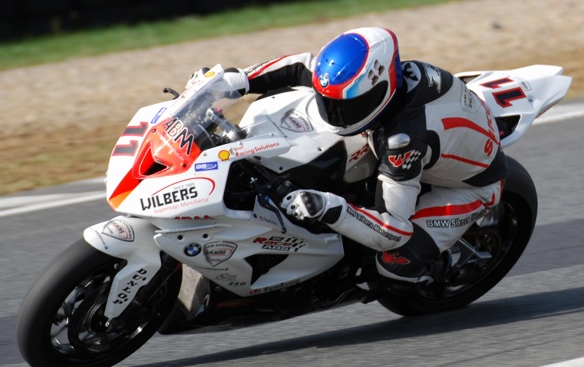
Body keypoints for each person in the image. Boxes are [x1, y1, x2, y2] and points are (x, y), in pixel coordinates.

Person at [218, 27, 508, 290]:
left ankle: (444, 265)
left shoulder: (403, 140)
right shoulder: (374, 80)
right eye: (328, 102)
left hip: (468, 187)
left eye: (347, 106)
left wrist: (330, 208)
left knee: (395, 264)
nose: (335, 113)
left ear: (379, 89)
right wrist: (240, 79)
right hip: (444, 136)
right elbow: (300, 66)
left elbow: (392, 231)